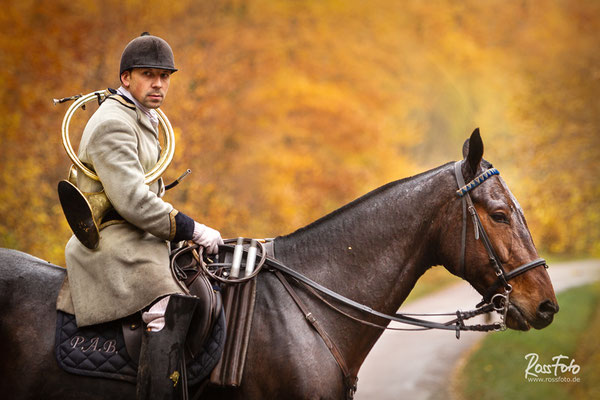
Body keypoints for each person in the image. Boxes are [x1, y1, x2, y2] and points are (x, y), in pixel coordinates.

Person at [55, 32, 222, 399]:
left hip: (139, 233)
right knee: (167, 306)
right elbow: (133, 201)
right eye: (149, 74)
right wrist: (191, 228)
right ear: (126, 78)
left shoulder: (142, 115)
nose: (159, 83)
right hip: (114, 239)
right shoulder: (114, 122)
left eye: (165, 76)